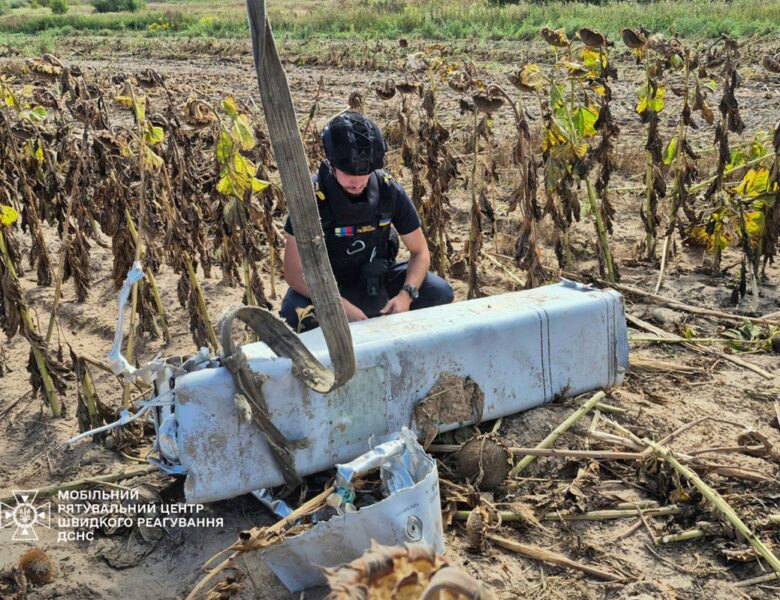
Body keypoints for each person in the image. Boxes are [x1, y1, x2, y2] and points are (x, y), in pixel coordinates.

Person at [280, 112, 454, 332]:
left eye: (365, 173)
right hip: (327, 287)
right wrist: (338, 306)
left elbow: (420, 252)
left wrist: (406, 296)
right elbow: (294, 273)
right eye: (348, 173)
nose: (358, 182)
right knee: (296, 316)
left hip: (376, 277)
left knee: (440, 292)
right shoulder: (311, 197)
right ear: (331, 164)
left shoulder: (388, 190)